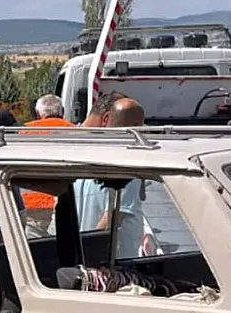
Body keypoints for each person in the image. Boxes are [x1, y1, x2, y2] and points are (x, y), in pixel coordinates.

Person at [72, 97, 147, 258]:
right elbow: (112, 217)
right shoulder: (126, 162)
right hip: (109, 260)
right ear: (106, 119)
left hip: (86, 253)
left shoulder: (82, 156)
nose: (139, 131)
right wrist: (89, 254)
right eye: (135, 125)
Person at [19, 94, 75, 237]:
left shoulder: (22, 132)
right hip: (66, 205)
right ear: (62, 111)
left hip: (32, 208)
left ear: (38, 114)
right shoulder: (76, 132)